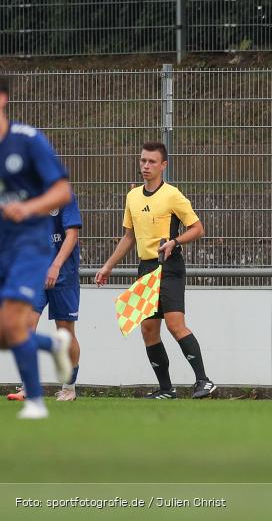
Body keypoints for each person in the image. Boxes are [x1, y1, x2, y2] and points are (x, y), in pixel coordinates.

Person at [94, 141, 216, 399]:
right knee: (148, 329)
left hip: (169, 266)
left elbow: (197, 228)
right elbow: (129, 236)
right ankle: (166, 389)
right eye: (143, 161)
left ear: (163, 165)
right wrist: (107, 266)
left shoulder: (172, 194)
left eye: (151, 162)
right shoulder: (132, 196)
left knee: (175, 324)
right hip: (146, 268)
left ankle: (204, 381)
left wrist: (175, 241)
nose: (146, 166)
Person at [0, 75, 74, 419]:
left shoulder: (28, 141)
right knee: (8, 333)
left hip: (29, 245)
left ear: (3, 99)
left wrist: (27, 208)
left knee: (14, 322)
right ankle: (53, 344)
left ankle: (35, 402)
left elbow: (62, 192)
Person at [8, 192, 83, 402]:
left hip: (63, 274)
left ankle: (69, 388)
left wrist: (56, 265)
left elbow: (72, 234)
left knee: (65, 333)